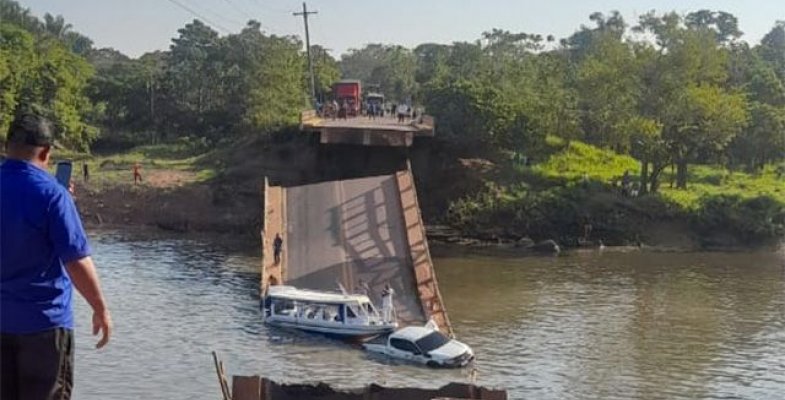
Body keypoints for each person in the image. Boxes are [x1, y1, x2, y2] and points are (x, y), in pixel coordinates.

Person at [1, 113, 112, 400]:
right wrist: (100, 309)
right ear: (47, 152)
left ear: (6, 146)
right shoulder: (52, 195)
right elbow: (75, 261)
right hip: (43, 326)